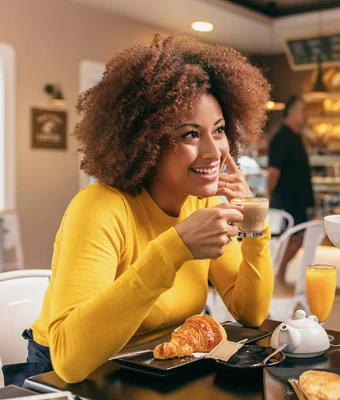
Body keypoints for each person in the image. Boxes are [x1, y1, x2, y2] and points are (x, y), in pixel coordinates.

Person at [5, 34, 274, 385]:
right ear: (146, 140)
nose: (214, 152)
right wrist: (174, 248)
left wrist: (254, 225)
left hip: (159, 369)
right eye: (191, 134)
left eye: (219, 130)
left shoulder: (202, 202)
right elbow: (70, 361)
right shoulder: (99, 207)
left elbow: (250, 313)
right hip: (68, 378)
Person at [267, 95, 314, 284]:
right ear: (292, 112)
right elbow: (273, 172)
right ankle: (277, 275)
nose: (306, 115)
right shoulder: (282, 137)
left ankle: (279, 273)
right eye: (303, 111)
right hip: (287, 200)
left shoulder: (296, 137)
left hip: (297, 200)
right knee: (294, 239)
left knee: (297, 239)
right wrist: (270, 199)